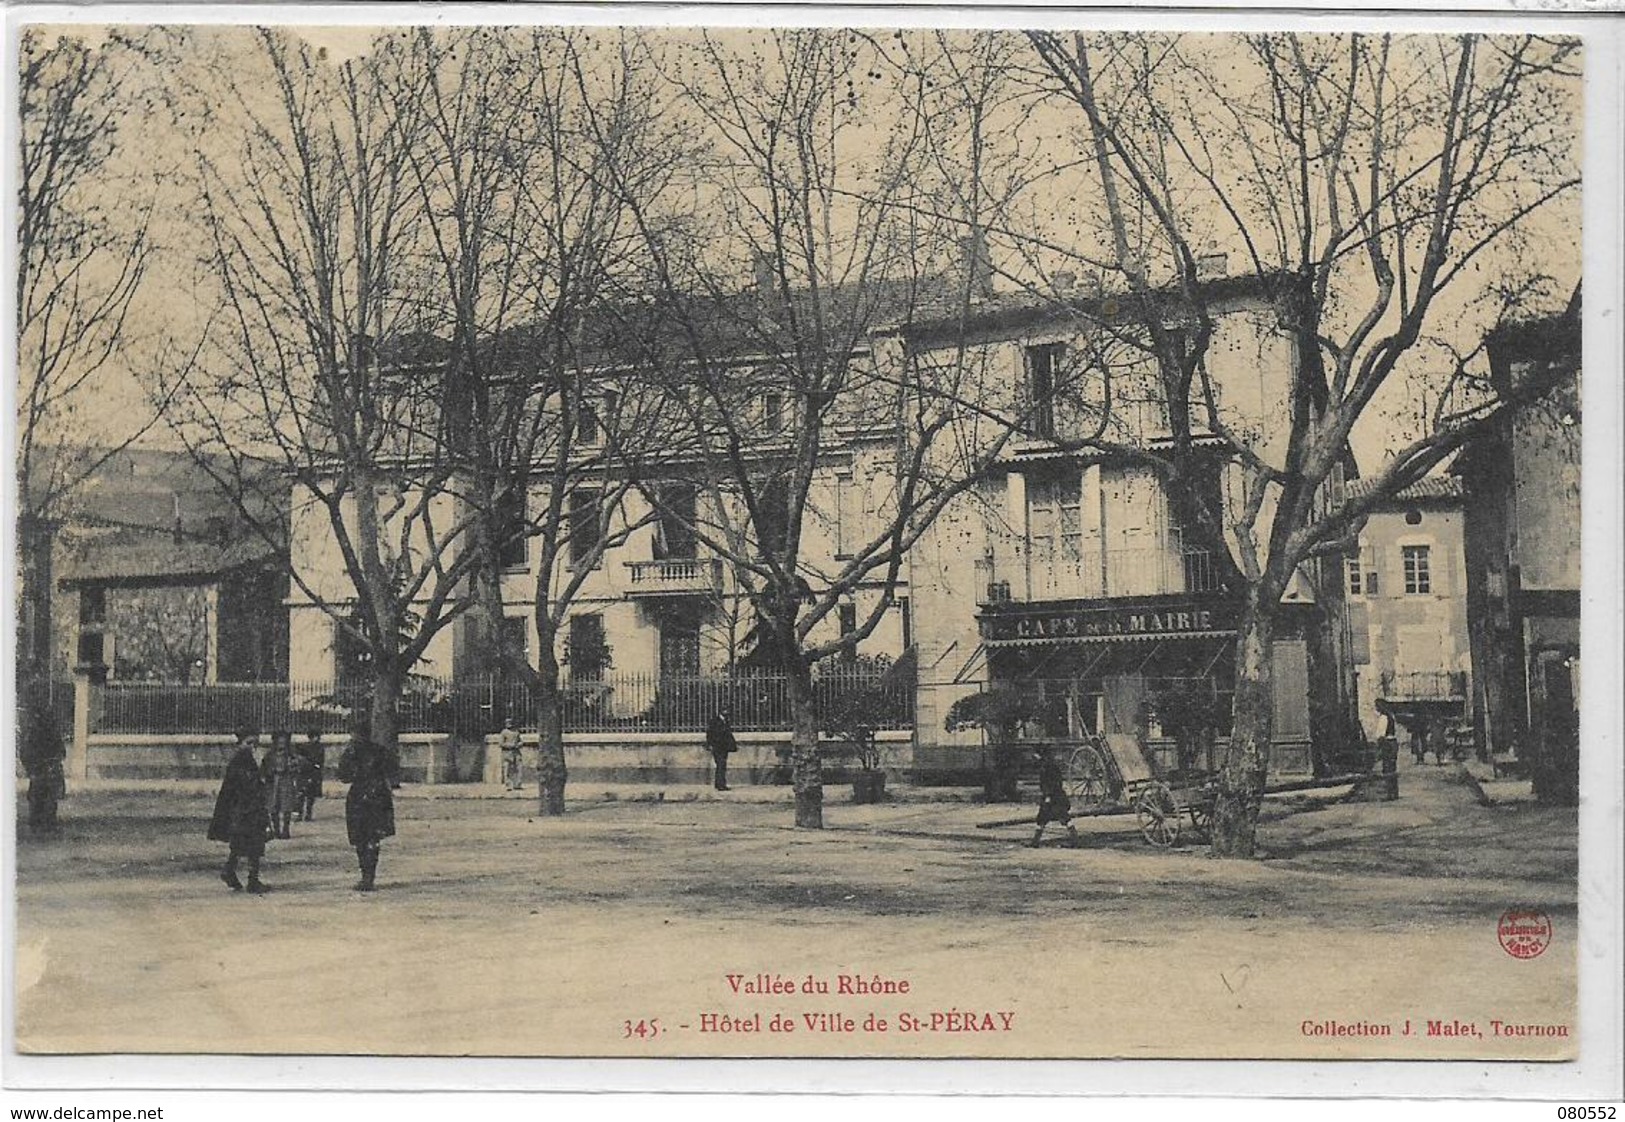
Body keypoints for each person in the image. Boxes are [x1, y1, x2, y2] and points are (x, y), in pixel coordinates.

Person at [207, 727, 271, 893]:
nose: (252, 746)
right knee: (254, 843)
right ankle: (252, 880)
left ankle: (230, 870)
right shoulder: (242, 761)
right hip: (246, 809)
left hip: (244, 809)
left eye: (255, 743)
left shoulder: (245, 759)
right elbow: (247, 785)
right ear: (240, 743)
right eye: (249, 743)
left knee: (242, 844)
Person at [339, 734, 396, 892]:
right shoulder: (380, 750)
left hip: (359, 796)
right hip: (379, 796)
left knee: (361, 838)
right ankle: (369, 876)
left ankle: (366, 876)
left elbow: (343, 776)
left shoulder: (352, 751)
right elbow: (392, 770)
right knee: (373, 838)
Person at [19, 689, 66, 834]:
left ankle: (40, 823)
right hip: (43, 765)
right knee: (46, 795)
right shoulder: (40, 729)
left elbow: (26, 750)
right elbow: (60, 749)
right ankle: (44, 824)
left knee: (41, 795)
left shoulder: (33, 728)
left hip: (41, 766)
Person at [1030, 746, 1079, 848]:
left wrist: (1048, 796)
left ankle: (1035, 841)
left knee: (1048, 817)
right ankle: (1035, 841)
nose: (1035, 759)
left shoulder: (1046, 767)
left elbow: (1051, 783)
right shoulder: (1049, 765)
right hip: (1056, 796)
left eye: (1036, 756)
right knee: (1057, 817)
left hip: (1053, 797)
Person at [261, 729, 300, 839]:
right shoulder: (269, 755)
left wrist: (292, 770)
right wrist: (268, 773)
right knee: (274, 806)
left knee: (286, 805)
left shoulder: (290, 755)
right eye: (279, 742)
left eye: (284, 742)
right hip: (273, 781)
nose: (281, 745)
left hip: (286, 780)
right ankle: (276, 829)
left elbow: (296, 767)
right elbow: (264, 768)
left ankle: (286, 829)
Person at [296, 728, 325, 821]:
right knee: (304, 795)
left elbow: (320, 761)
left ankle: (307, 814)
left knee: (309, 795)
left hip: (311, 773)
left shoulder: (318, 747)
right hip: (308, 772)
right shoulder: (305, 747)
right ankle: (301, 814)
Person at [705, 711, 737, 791]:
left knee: (722, 765)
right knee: (720, 764)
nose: (726, 712)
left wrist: (733, 745)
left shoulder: (726, 721)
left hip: (724, 747)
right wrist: (710, 744)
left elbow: (729, 734)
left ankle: (720, 784)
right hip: (717, 746)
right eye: (725, 710)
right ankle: (720, 785)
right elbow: (709, 734)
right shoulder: (714, 721)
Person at [499, 717, 524, 791]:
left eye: (510, 723)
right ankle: (508, 785)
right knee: (507, 769)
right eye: (507, 723)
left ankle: (517, 784)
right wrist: (510, 745)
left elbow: (520, 741)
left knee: (518, 768)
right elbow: (501, 743)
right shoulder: (504, 732)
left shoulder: (516, 732)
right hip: (507, 753)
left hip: (516, 752)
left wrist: (519, 744)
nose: (509, 725)